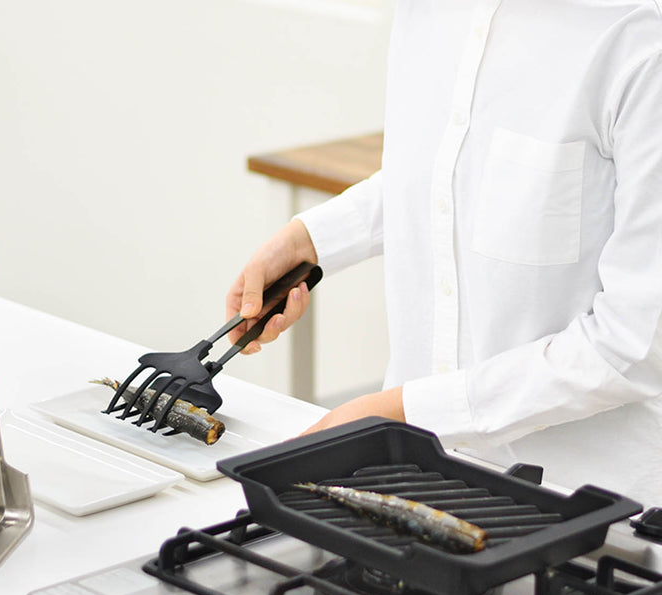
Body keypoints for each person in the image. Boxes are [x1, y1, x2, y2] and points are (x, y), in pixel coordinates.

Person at [226, 0, 662, 509]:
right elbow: (452, 172)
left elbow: (634, 347)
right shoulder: (425, 13)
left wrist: (402, 412)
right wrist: (311, 239)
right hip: (407, 477)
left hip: (586, 510)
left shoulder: (639, 37)